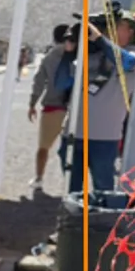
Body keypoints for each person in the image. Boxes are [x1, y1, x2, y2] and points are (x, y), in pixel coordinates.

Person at [67, 19, 135, 194]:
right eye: (106, 27)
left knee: (104, 190)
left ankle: (102, 221)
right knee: (72, 191)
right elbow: (61, 82)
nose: (109, 30)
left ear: (131, 31)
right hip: (75, 134)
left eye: (117, 26)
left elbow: (129, 63)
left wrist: (99, 39)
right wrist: (71, 49)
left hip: (105, 137)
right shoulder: (91, 54)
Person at [27, 24, 78, 191]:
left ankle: (39, 178)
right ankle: (73, 184)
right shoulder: (83, 54)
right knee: (75, 148)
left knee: (43, 146)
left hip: (53, 106)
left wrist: (32, 103)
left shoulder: (50, 56)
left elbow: (39, 81)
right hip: (76, 107)